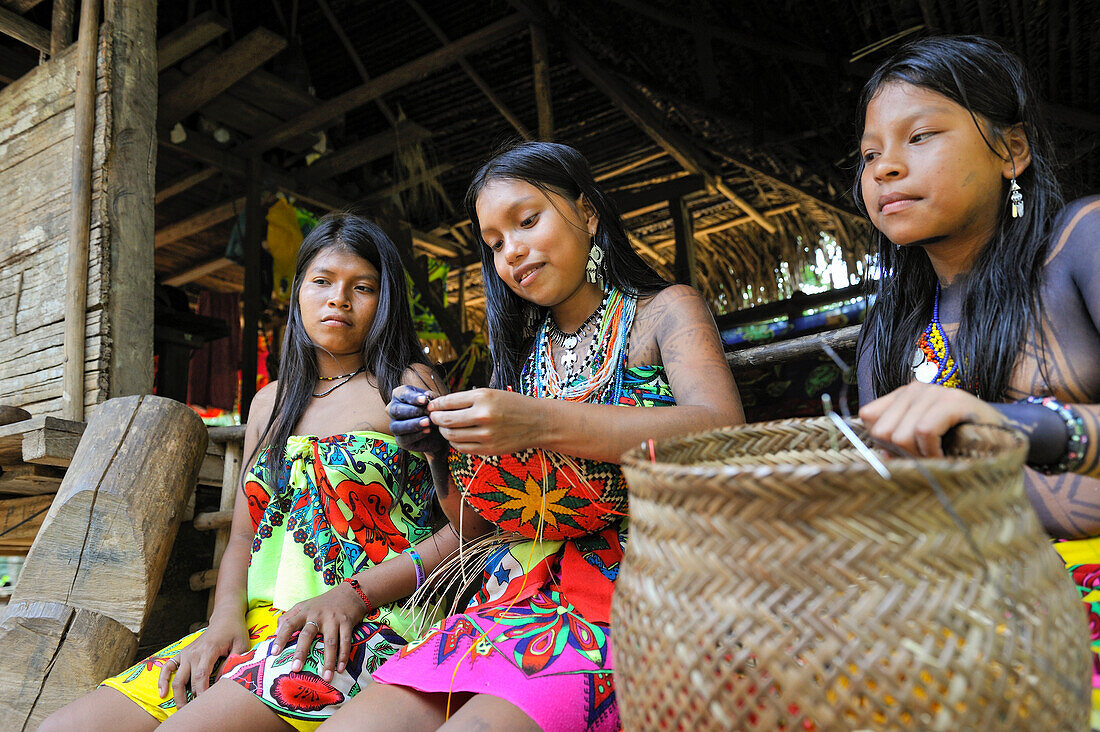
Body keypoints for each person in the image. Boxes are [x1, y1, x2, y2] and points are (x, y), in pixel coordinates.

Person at [318, 141, 744, 731]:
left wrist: (538, 420)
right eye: (494, 243)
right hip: (515, 595)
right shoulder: (521, 361)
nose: (511, 250)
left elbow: (721, 430)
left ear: (588, 213)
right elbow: (478, 527)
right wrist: (440, 452)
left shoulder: (664, 312)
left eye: (527, 221)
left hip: (642, 592)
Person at [42, 213, 461, 731]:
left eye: (363, 287)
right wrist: (222, 622)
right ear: (299, 292)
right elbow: (244, 534)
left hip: (364, 622)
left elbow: (467, 529)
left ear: (385, 300)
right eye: (322, 281)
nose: (339, 299)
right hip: (257, 623)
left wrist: (354, 595)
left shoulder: (407, 383)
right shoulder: (270, 401)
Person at [851, 35, 1100, 726]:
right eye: (870, 155)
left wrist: (1017, 427)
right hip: (970, 623)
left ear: (1010, 150)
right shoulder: (890, 331)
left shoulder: (1082, 243)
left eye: (920, 136)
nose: (886, 168)